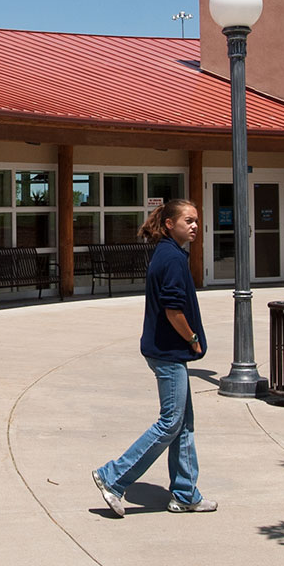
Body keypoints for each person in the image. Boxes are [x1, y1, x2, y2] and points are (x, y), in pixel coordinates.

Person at [93, 199, 217, 517]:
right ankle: (112, 477)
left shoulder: (169, 253)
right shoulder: (172, 259)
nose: (194, 226)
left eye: (196, 220)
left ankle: (185, 494)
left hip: (166, 351)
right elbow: (173, 310)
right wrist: (193, 339)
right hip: (168, 352)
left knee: (184, 425)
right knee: (170, 422)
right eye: (187, 220)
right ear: (168, 225)